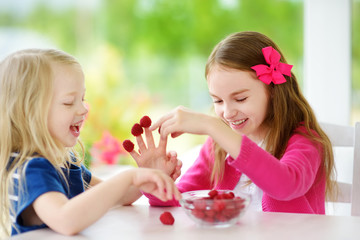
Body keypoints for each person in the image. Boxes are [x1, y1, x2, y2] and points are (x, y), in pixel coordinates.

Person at [128, 31, 336, 214]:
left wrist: (212, 126)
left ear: (272, 91)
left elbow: (285, 185)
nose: (227, 113)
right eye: (217, 100)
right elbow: (182, 200)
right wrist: (158, 181)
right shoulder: (217, 146)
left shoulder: (305, 140)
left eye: (240, 99)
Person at [0, 49, 181, 237]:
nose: (83, 109)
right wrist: (129, 177)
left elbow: (115, 197)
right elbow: (65, 220)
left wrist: (148, 176)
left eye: (83, 99)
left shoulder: (64, 160)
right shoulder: (32, 169)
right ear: (30, 114)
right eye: (69, 102)